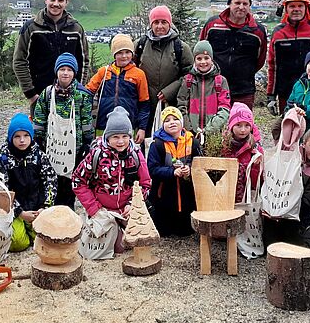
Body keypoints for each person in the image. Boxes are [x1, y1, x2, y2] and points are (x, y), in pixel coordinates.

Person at [72, 107, 152, 251]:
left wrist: (133, 204)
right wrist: (94, 208)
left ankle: (121, 229)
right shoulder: (96, 154)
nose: (120, 141)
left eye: (125, 136)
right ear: (107, 137)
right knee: (116, 247)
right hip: (102, 210)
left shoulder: (136, 154)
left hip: (127, 210)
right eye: (115, 137)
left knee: (134, 242)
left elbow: (145, 183)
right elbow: (78, 180)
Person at [13, 0, 89, 111]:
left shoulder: (76, 29)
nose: (56, 4)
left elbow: (84, 61)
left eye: (60, 0)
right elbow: (19, 61)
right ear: (45, 0)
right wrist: (31, 94)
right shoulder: (31, 28)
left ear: (66, 2)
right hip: (39, 94)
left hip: (70, 96)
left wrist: (79, 90)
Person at [32, 53, 94, 208]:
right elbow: (40, 118)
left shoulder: (83, 95)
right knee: (51, 181)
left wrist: (87, 143)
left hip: (74, 149)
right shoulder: (47, 93)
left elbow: (86, 121)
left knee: (69, 184)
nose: (65, 73)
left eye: (69, 70)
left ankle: (68, 213)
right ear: (56, 71)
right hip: (52, 146)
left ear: (74, 73)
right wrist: (38, 140)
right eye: (62, 69)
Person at [0, 113, 57, 252]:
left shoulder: (39, 156)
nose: (22, 140)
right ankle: (22, 230)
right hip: (15, 210)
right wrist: (20, 212)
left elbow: (50, 181)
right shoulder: (3, 159)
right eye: (17, 136)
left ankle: (31, 231)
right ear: (10, 138)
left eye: (26, 135)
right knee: (18, 243)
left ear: (31, 136)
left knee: (46, 238)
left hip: (37, 208)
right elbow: (2, 190)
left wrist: (45, 207)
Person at [199, 0, 268, 108]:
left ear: (249, 6)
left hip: (244, 90)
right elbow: (201, 51)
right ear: (229, 4)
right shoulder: (212, 25)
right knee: (212, 120)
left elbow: (260, 60)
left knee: (242, 120)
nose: (241, 7)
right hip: (213, 87)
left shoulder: (257, 31)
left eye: (245, 4)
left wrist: (245, 72)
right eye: (237, 3)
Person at [134, 5, 193, 134]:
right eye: (156, 22)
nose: (160, 26)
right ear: (151, 24)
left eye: (163, 22)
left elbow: (189, 76)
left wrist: (169, 91)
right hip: (144, 106)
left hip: (171, 106)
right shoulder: (140, 45)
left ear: (169, 24)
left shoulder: (181, 48)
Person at [86, 34, 149, 145]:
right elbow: (87, 93)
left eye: (127, 52)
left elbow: (144, 104)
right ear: (114, 54)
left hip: (129, 126)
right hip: (103, 125)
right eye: (120, 52)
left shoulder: (139, 74)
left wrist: (142, 128)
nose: (124, 56)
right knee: (102, 152)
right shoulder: (104, 72)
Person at [147, 107, 197, 236]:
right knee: (164, 231)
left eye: (175, 119)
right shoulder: (157, 144)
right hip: (164, 194)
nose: (172, 122)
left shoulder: (193, 142)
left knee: (186, 232)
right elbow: (152, 169)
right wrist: (172, 172)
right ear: (162, 125)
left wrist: (190, 169)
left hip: (187, 194)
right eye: (167, 120)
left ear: (181, 122)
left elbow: (200, 164)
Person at [176, 40, 231, 142]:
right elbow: (181, 106)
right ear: (194, 60)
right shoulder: (188, 80)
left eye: (206, 58)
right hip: (191, 134)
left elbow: (225, 108)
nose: (203, 62)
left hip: (214, 134)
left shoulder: (220, 81)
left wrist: (209, 130)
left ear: (211, 59)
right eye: (199, 58)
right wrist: (189, 129)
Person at [220, 102, 264, 204]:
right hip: (225, 194)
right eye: (238, 125)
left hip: (247, 197)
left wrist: (256, 166)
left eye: (247, 125)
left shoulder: (256, 148)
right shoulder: (223, 145)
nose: (243, 130)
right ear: (231, 125)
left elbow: (259, 180)